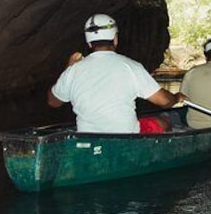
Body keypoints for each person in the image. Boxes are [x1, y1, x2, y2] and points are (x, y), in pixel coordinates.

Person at [47, 13, 182, 134]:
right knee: (164, 122)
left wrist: (68, 68)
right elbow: (165, 102)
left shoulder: (73, 70)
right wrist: (176, 98)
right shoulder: (131, 66)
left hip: (88, 138)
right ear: (115, 38)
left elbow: (53, 102)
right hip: (127, 138)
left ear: (89, 42)